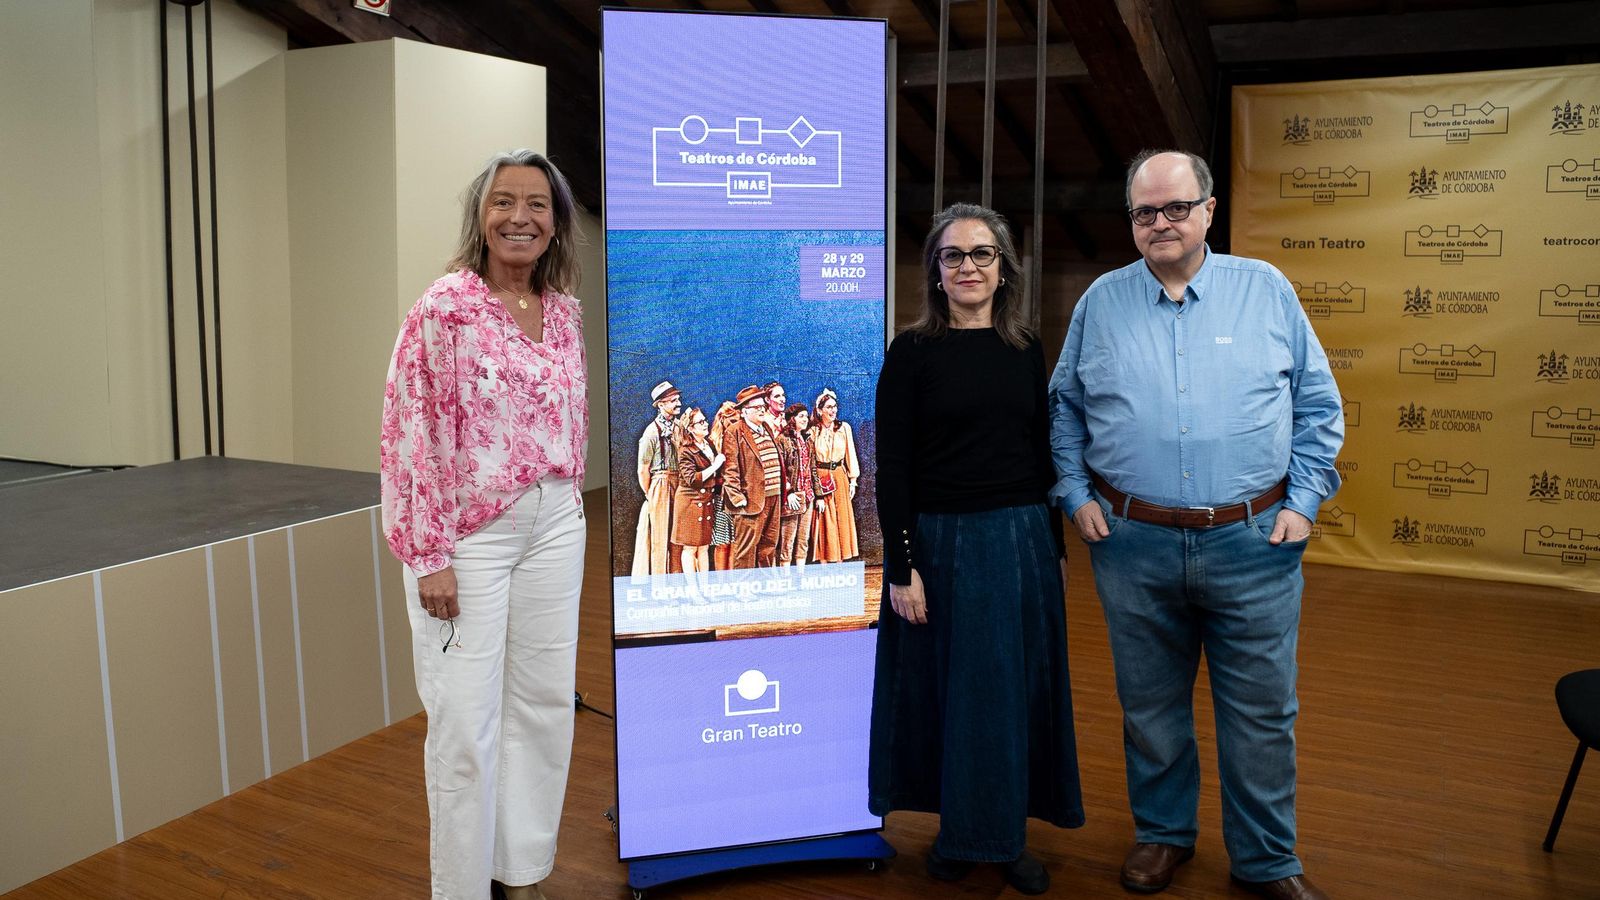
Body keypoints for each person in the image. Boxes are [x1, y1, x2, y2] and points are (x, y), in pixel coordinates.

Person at [1047, 150, 1343, 900]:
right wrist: (1074, 490)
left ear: (1210, 210)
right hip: (1131, 544)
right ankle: (1164, 835)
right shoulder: (1100, 302)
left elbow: (1318, 407)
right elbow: (1064, 408)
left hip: (1255, 542)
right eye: (1145, 212)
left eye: (1177, 207)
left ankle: (1267, 860)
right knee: (1150, 709)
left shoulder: (1266, 291)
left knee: (1263, 713)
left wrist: (1304, 503)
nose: (1161, 224)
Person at [380, 149, 587, 900]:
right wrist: (427, 552)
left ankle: (521, 873)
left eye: (537, 204)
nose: (519, 218)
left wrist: (566, 508)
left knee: (539, 706)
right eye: (504, 202)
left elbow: (570, 418)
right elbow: (408, 434)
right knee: (464, 724)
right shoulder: (445, 308)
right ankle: (461, 889)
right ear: (482, 215)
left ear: (556, 223)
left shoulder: (563, 312)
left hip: (555, 525)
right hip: (470, 539)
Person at [869, 204, 1083, 896]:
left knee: (1009, 697)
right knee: (947, 698)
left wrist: (1050, 548)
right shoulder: (911, 353)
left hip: (1018, 539)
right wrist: (903, 568)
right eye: (953, 255)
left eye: (982, 254)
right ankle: (958, 834)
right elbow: (894, 467)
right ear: (935, 270)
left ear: (1003, 268)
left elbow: (1038, 456)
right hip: (938, 543)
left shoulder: (1025, 348)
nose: (967, 267)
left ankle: (1006, 836)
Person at [721, 385, 784, 569]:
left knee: (769, 546)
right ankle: (743, 592)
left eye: (762, 406)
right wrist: (737, 497)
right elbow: (730, 468)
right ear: (744, 411)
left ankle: (763, 586)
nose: (762, 410)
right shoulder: (734, 431)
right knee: (746, 549)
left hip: (774, 497)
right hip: (751, 500)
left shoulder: (766, 427)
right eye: (757, 408)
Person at [671, 406, 723, 598]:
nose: (705, 423)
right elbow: (692, 478)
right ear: (690, 428)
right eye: (700, 422)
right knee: (690, 548)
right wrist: (716, 465)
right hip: (690, 503)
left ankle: (705, 588)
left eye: (704, 420)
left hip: (706, 500)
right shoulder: (686, 450)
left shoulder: (708, 444)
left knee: (704, 546)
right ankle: (694, 592)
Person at [632, 381, 680, 577]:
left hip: (680, 482)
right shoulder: (651, 433)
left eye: (678, 399)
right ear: (661, 405)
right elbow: (643, 469)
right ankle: (660, 584)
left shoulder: (679, 427)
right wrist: (651, 493)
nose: (678, 403)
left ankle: (677, 579)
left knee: (678, 535)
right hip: (660, 482)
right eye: (673, 401)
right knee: (660, 534)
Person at [808, 388, 860, 562]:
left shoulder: (844, 428)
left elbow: (850, 453)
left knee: (842, 518)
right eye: (829, 407)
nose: (833, 410)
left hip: (839, 475)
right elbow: (810, 460)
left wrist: (853, 481)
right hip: (821, 476)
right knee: (825, 519)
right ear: (820, 410)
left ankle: (840, 560)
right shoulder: (813, 431)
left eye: (834, 406)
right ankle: (825, 560)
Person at [776, 402, 817, 568]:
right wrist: (789, 491)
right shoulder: (783, 440)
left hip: (807, 495)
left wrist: (818, 495)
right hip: (792, 495)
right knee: (787, 539)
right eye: (801, 416)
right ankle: (785, 577)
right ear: (792, 419)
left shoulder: (808, 440)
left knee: (803, 539)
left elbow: (812, 468)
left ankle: (800, 577)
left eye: (806, 417)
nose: (805, 420)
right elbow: (780, 468)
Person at [707, 400, 739, 570]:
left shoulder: (740, 439)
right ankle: (721, 582)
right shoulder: (712, 443)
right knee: (722, 542)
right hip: (719, 498)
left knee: (735, 541)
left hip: (737, 497)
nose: (736, 424)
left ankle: (733, 582)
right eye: (732, 421)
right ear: (723, 419)